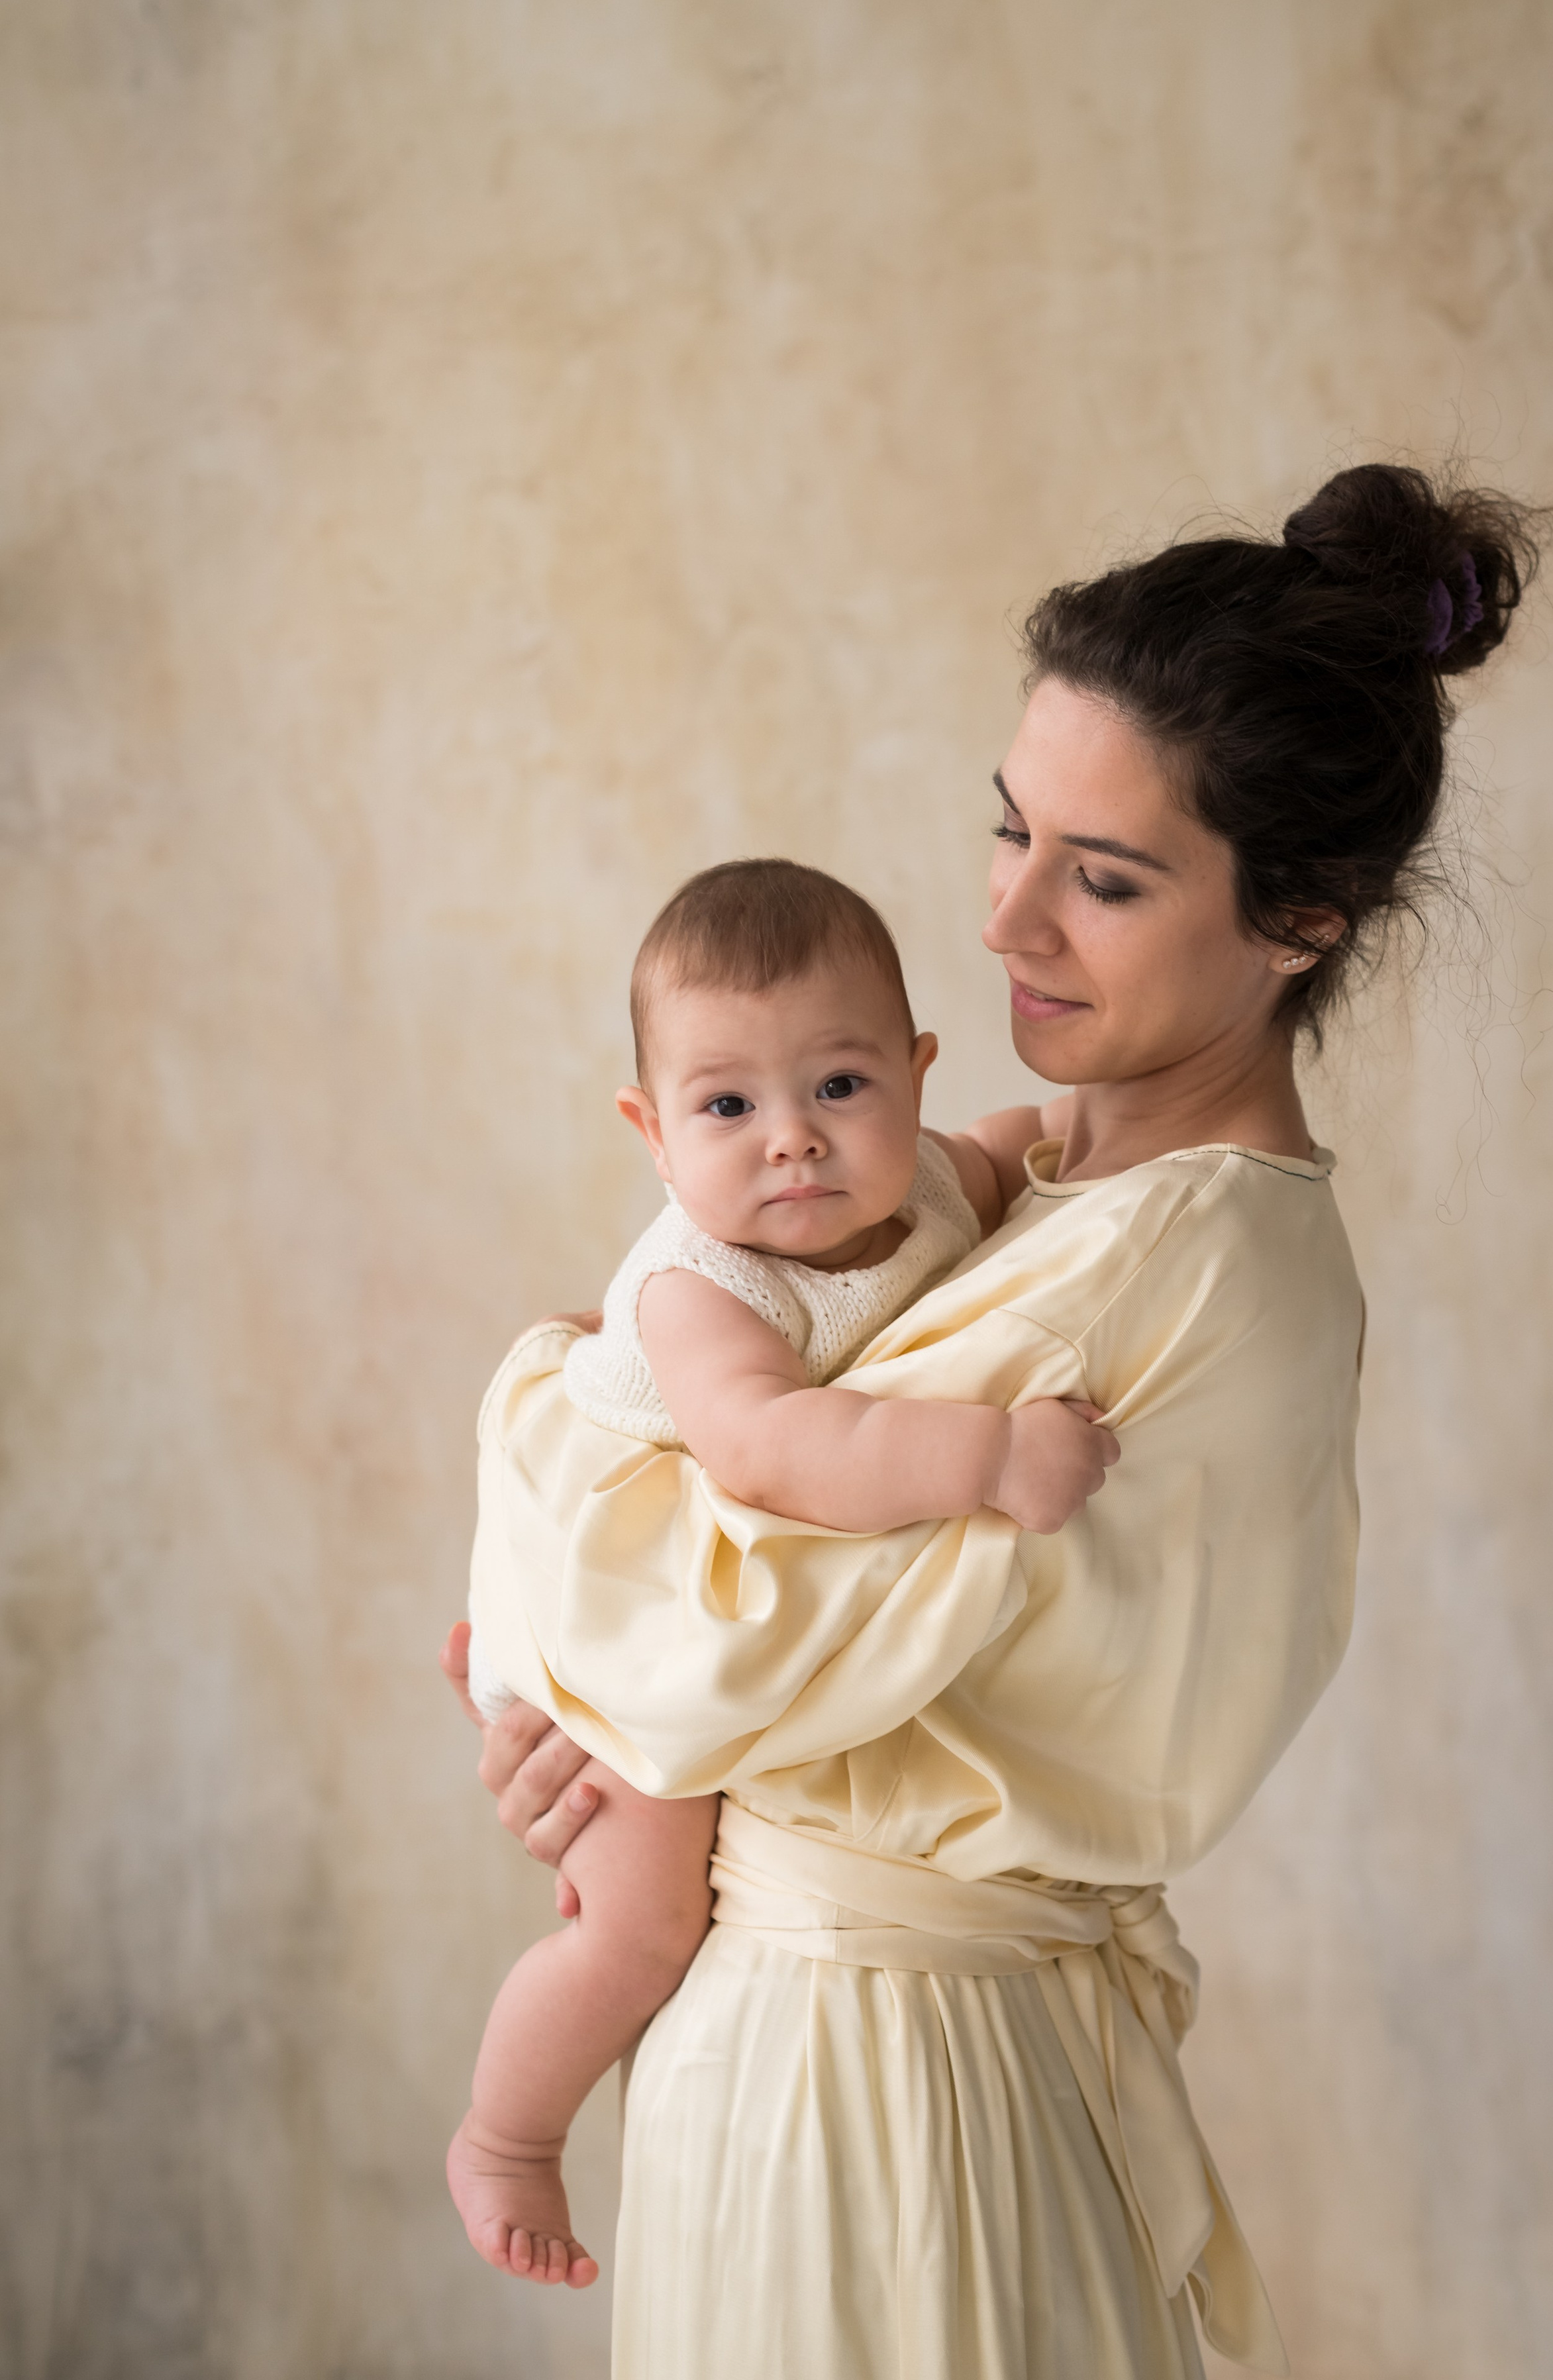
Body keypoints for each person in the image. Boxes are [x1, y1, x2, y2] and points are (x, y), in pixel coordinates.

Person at [444, 462, 1545, 2378]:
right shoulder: (1030, 1188)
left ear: (1297, 916)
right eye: (1011, 828)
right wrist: (572, 1666)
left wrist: (551, 1556)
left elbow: (699, 1621)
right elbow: (705, 1528)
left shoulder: (1175, 1259)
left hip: (885, 2080)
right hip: (832, 2034)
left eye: (1104, 878)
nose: (1012, 916)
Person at [447, 858, 1119, 2284]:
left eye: (838, 1087)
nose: (792, 1144)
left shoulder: (929, 1174)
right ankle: (506, 2133)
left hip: (672, 1581)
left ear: (913, 1076)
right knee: (643, 1921)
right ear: (651, 1130)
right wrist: (990, 1455)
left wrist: (1087, 1122)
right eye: (726, 1106)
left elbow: (1008, 1152)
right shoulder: (704, 1286)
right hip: (603, 1604)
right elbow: (768, 1451)